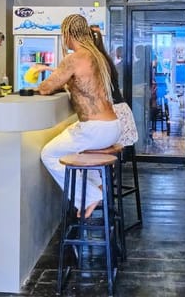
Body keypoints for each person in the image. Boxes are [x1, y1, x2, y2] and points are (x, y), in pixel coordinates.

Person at [34, 14, 119, 218]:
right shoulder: (98, 57)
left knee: (49, 154)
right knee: (74, 142)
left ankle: (91, 196)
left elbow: (45, 88)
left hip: (95, 129)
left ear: (68, 34)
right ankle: (98, 185)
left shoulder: (74, 58)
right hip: (112, 126)